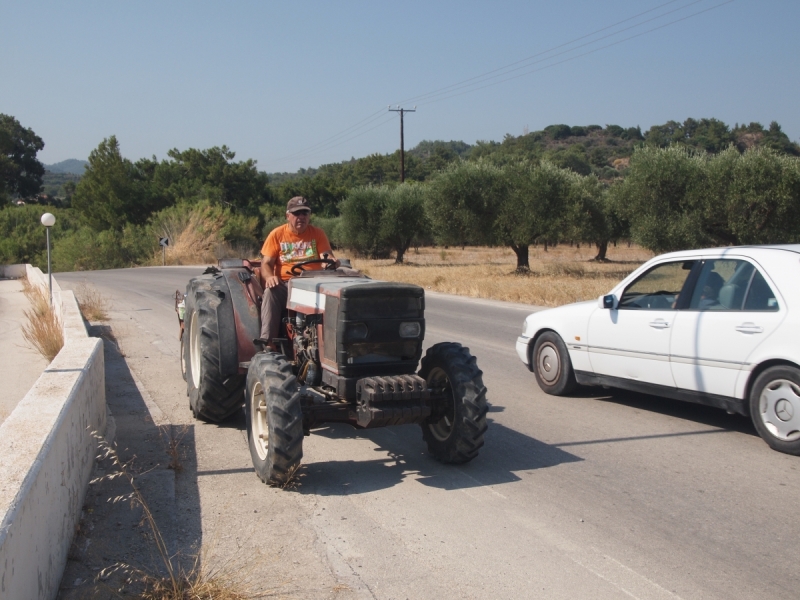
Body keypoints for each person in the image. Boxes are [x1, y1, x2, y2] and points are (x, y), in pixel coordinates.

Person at [258, 196, 337, 346]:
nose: (301, 217)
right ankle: (268, 343)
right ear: (288, 216)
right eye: (297, 213)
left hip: (314, 282)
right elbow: (266, 263)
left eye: (305, 213)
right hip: (287, 284)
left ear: (309, 215)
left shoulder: (318, 234)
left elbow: (326, 256)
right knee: (270, 292)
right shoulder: (277, 234)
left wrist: (332, 262)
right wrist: (269, 277)